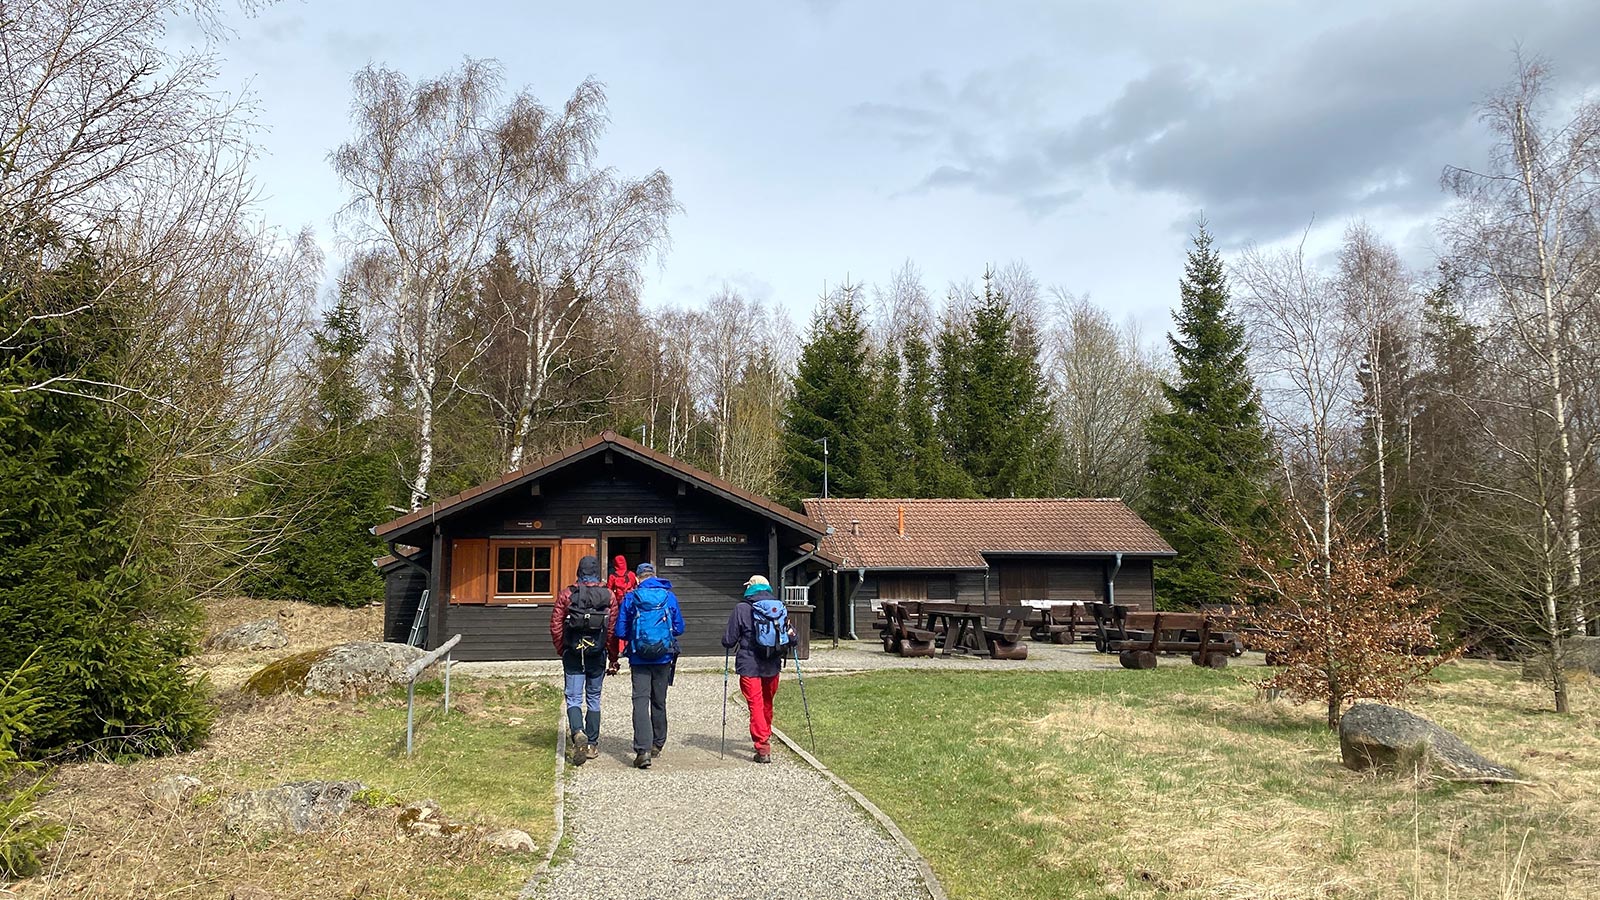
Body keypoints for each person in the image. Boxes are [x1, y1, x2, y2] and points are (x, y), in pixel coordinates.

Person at [549, 554, 619, 767]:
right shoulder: (608, 595)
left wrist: (562, 648)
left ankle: (578, 732)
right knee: (594, 698)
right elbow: (612, 630)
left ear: (579, 572)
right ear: (598, 572)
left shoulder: (567, 594)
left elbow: (555, 624)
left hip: (573, 652)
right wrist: (612, 656)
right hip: (597, 654)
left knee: (573, 697)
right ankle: (592, 745)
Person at [614, 562, 684, 769]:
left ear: (637, 578)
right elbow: (679, 628)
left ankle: (642, 751)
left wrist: (637, 637)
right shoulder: (669, 596)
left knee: (640, 701)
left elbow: (620, 631)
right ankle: (658, 743)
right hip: (663, 656)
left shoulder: (631, 597)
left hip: (638, 657)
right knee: (659, 700)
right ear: (654, 576)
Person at [721, 574, 793, 763]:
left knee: (756, 705)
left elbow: (729, 640)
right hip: (773, 663)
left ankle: (763, 747)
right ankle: (765, 733)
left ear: (750, 587)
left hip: (749, 664)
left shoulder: (741, 608)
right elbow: (792, 637)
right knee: (767, 702)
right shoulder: (779, 607)